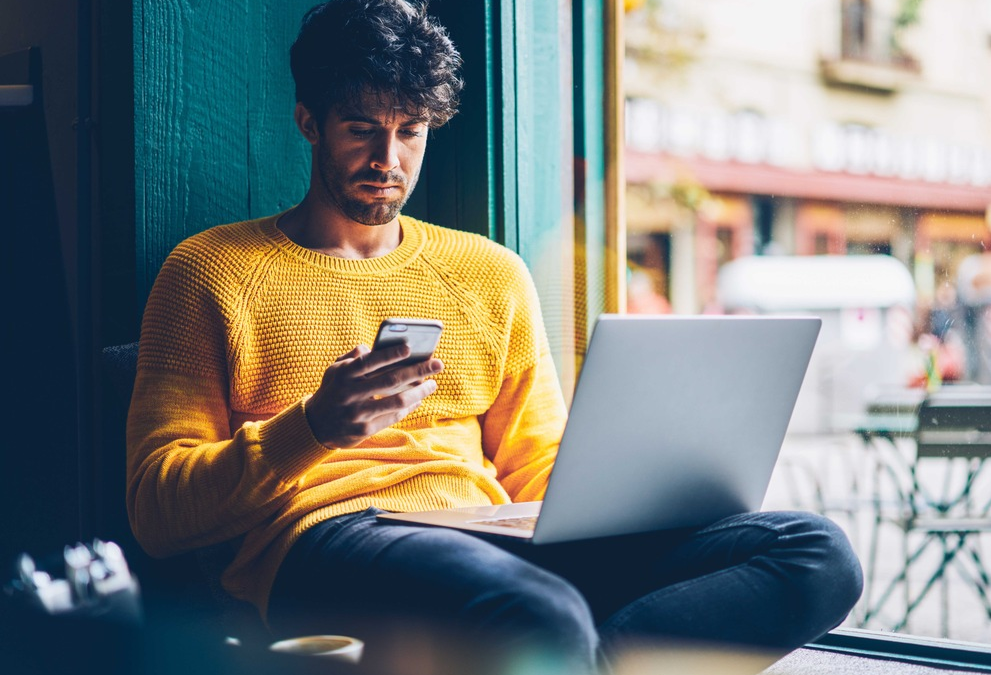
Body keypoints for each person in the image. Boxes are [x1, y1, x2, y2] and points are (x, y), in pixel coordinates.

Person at [125, 1, 863, 672]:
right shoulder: (213, 272)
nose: (388, 160)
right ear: (308, 120)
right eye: (361, 129)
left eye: (409, 131)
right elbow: (157, 511)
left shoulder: (488, 271)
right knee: (539, 612)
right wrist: (313, 427)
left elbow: (537, 460)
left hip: (492, 532)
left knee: (816, 552)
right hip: (328, 534)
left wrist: (628, 511)